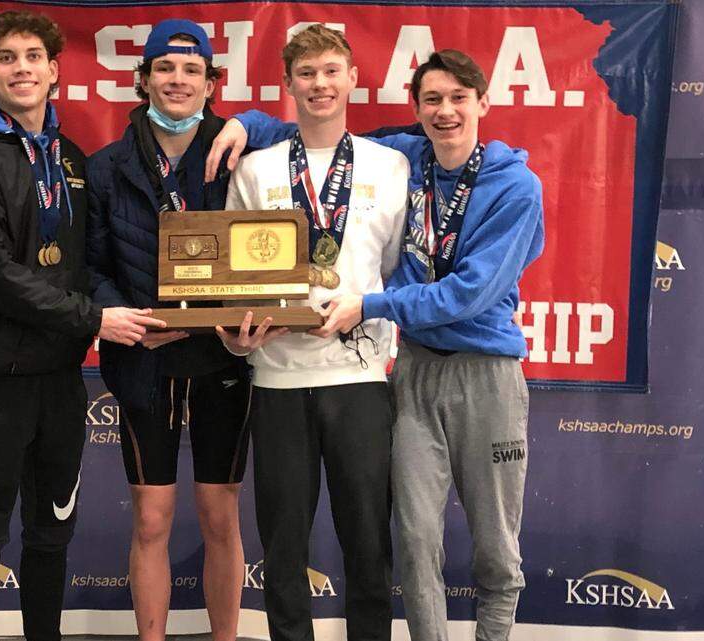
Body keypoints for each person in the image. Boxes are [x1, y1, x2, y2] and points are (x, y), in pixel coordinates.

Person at [209, 50, 544, 641]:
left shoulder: (509, 184)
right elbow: (314, 126)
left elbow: (467, 291)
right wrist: (245, 123)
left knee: (489, 546)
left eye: (459, 98)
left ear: (484, 103)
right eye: (432, 101)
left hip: (471, 371)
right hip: (405, 371)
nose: (445, 112)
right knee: (413, 542)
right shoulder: (406, 155)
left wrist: (367, 305)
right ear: (416, 112)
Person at [0, 10, 160, 641]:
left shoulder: (71, 158)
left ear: (55, 70)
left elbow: (87, 263)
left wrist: (151, 314)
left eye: (34, 56)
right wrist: (94, 319)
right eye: (6, 58)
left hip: (59, 379)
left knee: (52, 532)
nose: (22, 68)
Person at [217, 24, 408, 641]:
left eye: (331, 71)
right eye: (307, 73)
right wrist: (233, 338)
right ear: (288, 85)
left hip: (360, 381)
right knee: (282, 546)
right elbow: (230, 284)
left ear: (353, 78)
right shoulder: (256, 169)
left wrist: (368, 308)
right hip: (277, 382)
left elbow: (405, 274)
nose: (320, 84)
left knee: (368, 543)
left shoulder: (393, 165)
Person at [85, 19, 250, 641]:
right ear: (143, 79)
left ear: (211, 83)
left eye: (191, 70)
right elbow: (92, 269)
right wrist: (123, 322)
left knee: (219, 515)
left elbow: (266, 257)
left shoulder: (241, 155)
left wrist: (243, 327)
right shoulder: (106, 168)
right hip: (143, 361)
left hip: (223, 360)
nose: (177, 80)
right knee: (152, 520)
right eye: (164, 68)